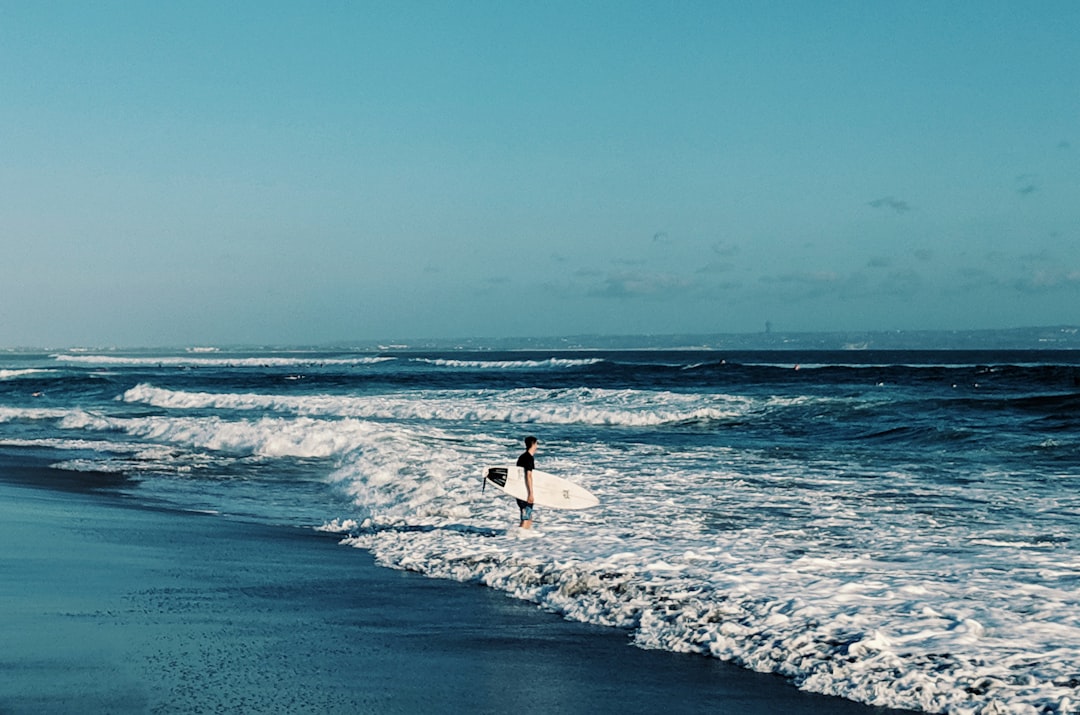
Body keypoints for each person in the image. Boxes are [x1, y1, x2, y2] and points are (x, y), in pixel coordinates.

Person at [515, 436, 539, 528]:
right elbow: (528, 475)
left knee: (528, 516)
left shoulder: (522, 457)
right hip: (524, 491)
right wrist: (531, 493)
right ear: (533, 444)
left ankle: (525, 538)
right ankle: (518, 537)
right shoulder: (529, 458)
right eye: (536, 444)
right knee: (525, 517)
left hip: (519, 490)